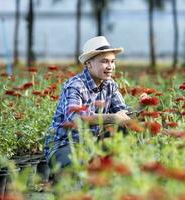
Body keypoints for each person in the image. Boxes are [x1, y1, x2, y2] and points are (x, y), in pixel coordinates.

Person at [44, 36, 145, 172]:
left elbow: (122, 114)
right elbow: (75, 118)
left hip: (92, 143)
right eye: (104, 62)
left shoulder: (110, 84)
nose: (110, 67)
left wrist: (140, 106)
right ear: (89, 64)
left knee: (126, 132)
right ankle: (61, 178)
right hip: (64, 144)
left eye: (112, 61)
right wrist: (113, 118)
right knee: (78, 168)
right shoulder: (75, 85)